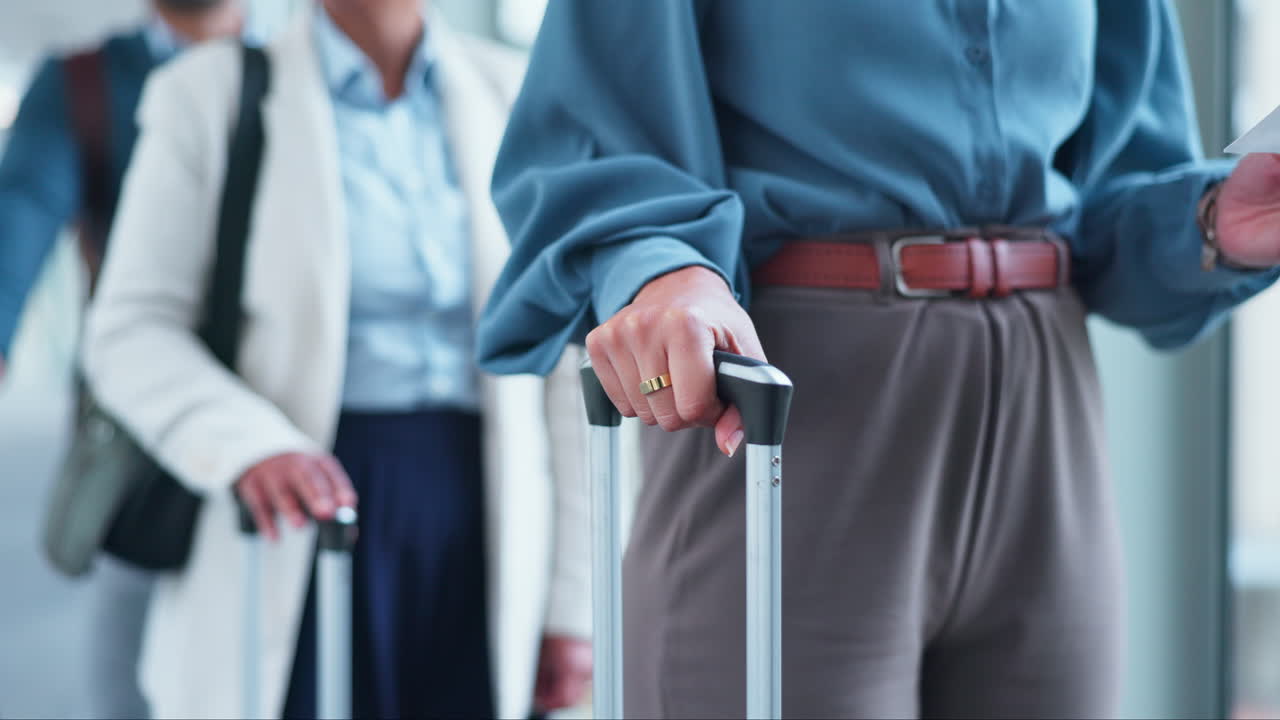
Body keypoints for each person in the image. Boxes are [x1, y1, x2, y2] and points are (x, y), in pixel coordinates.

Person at [477, 1, 1280, 718]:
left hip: (1049, 421)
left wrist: (1214, 222)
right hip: (794, 405)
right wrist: (664, 271)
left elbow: (1112, 201)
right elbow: (591, 140)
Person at [80, 1, 591, 718]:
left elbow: (566, 366)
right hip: (299, 497)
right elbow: (130, 327)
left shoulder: (512, 94)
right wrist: (248, 445)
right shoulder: (210, 95)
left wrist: (574, 602)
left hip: (485, 510)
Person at [0, 3, 244, 716]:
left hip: (300, 395)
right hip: (145, 420)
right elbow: (16, 231)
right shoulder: (85, 81)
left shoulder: (309, 69)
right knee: (138, 654)